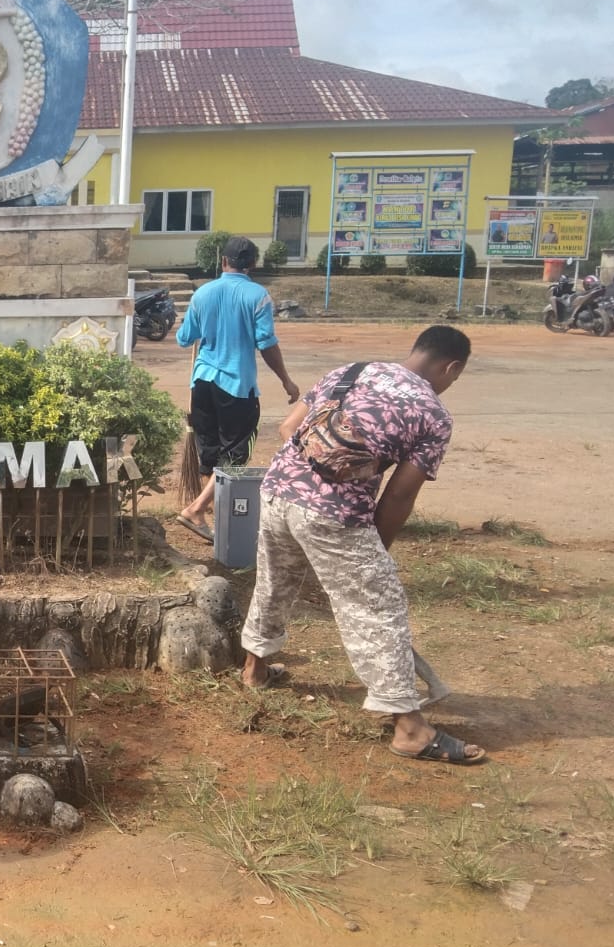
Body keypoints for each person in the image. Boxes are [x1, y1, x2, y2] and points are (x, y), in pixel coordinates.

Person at [239, 325, 483, 765]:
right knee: (377, 608)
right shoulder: (433, 414)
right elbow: (399, 495)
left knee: (275, 580)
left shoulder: (351, 370)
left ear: (415, 352)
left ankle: (254, 669)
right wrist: (378, 550)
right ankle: (410, 729)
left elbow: (288, 427)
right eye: (454, 377)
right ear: (452, 367)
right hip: (334, 512)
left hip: (276, 489)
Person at [175, 236, 300, 541]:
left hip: (202, 382)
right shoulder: (257, 296)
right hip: (237, 387)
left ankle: (210, 520)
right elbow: (266, 343)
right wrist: (286, 379)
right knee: (233, 457)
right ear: (253, 264)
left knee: (210, 453)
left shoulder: (202, 293)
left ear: (223, 262)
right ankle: (197, 508)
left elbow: (183, 337)